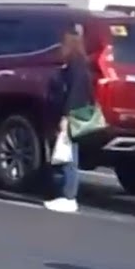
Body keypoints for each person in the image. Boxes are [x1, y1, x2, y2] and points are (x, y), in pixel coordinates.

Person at [45, 25, 92, 213]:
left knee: (69, 156)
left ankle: (69, 196)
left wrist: (66, 115)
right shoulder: (77, 62)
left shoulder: (76, 64)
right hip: (76, 112)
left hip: (73, 114)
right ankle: (65, 194)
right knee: (66, 153)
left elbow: (74, 91)